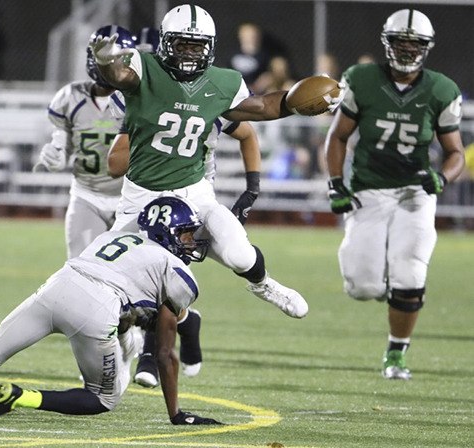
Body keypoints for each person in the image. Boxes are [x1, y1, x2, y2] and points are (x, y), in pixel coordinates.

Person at [90, 4, 342, 320]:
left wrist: (296, 101)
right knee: (108, 275)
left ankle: (263, 284)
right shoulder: (144, 67)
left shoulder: (223, 82)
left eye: (198, 46)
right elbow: (119, 74)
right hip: (142, 197)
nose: (190, 54)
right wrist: (105, 61)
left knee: (238, 253)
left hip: (195, 195)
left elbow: (262, 106)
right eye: (183, 44)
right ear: (167, 42)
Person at [0, 195, 221, 426]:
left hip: (58, 285)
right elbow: (164, 352)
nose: (191, 242)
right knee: (102, 400)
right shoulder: (177, 272)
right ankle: (21, 396)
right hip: (97, 306)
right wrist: (176, 413)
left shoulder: (112, 237)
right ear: (167, 233)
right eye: (186, 234)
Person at [324, 9, 465, 380]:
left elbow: (455, 153)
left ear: (426, 48)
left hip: (414, 192)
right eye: (400, 42)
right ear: (386, 43)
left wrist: (442, 179)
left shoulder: (441, 89)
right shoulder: (362, 79)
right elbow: (338, 136)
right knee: (362, 286)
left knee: (410, 273)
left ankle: (396, 352)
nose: (406, 49)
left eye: (414, 43)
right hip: (369, 189)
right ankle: (390, 280)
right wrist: (336, 185)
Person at [108, 117, 262, 388]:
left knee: (163, 272)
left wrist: (252, 189)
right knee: (117, 275)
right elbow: (115, 165)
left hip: (195, 199)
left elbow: (248, 130)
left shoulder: (213, 98)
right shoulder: (137, 93)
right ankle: (182, 326)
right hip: (142, 195)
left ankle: (147, 355)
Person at [37, 24, 135, 260]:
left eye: (114, 56)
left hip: (132, 200)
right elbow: (62, 143)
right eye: (101, 55)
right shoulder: (71, 96)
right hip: (87, 196)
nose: (107, 62)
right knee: (79, 269)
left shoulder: (138, 98)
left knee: (135, 276)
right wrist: (56, 155)